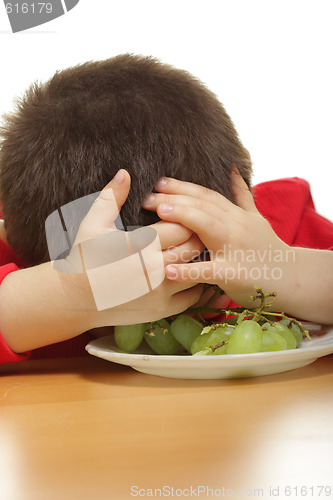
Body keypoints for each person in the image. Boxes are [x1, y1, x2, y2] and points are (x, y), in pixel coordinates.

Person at [0, 54, 332, 365]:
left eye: (194, 281)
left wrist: (292, 272)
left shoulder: (262, 239)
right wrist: (68, 293)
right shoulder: (26, 264)